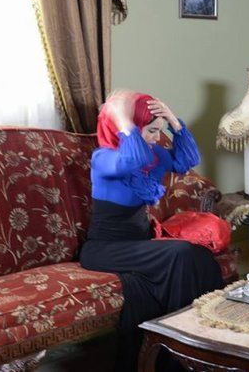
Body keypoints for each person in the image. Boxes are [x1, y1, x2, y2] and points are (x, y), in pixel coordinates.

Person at [80, 91, 224, 371]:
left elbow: (186, 160)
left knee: (201, 257)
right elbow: (131, 160)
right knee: (181, 253)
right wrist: (124, 121)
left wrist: (173, 122)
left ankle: (207, 349)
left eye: (159, 131)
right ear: (128, 128)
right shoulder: (103, 158)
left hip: (141, 244)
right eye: (151, 131)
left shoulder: (153, 155)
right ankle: (176, 358)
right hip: (105, 248)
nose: (157, 138)